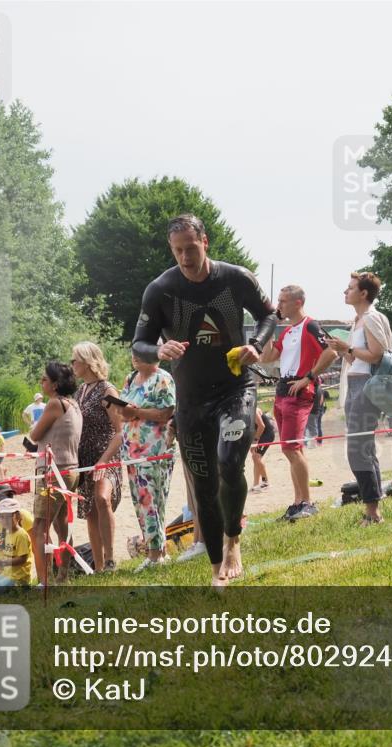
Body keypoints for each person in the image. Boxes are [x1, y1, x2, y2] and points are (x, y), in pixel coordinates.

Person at [132, 213, 277, 587]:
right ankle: (216, 567)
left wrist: (256, 345)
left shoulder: (235, 278)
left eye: (191, 249)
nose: (185, 257)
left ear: (205, 242)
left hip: (235, 388)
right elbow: (139, 342)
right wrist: (159, 348)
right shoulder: (160, 289)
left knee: (231, 462)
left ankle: (233, 542)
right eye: (177, 251)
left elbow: (268, 315)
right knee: (204, 484)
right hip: (191, 399)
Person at [259, 284, 337, 521]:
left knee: (290, 448)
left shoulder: (310, 325)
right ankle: (297, 502)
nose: (279, 305)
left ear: (297, 303)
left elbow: (331, 352)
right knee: (293, 449)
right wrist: (267, 332)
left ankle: (306, 502)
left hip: (298, 392)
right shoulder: (288, 331)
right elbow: (267, 358)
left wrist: (308, 378)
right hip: (283, 390)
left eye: (283, 301)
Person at [326, 271, 392, 526]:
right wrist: (342, 350)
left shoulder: (371, 318)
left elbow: (378, 355)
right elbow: (357, 359)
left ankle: (372, 510)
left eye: (350, 287)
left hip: (368, 387)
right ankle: (374, 503)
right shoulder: (357, 320)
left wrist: (349, 349)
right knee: (364, 447)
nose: (346, 291)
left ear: (363, 293)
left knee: (357, 449)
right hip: (357, 383)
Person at [115, 351, 176, 571]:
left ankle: (155, 554)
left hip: (154, 449)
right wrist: (127, 413)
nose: (135, 357)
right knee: (140, 502)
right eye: (133, 353)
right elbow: (123, 412)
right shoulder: (131, 378)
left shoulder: (163, 378)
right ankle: (156, 550)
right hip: (132, 450)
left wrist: (137, 412)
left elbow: (166, 412)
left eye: (140, 353)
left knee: (153, 500)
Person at [71, 341, 124, 573]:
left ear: (87, 361)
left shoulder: (108, 390)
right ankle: (99, 565)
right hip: (84, 459)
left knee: (102, 499)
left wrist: (103, 460)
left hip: (106, 455)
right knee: (90, 510)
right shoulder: (79, 391)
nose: (72, 364)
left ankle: (110, 560)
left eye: (75, 360)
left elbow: (122, 431)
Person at [27, 361, 82, 585]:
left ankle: (44, 580)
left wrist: (33, 429)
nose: (41, 382)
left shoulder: (55, 404)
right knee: (62, 524)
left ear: (56, 384)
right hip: (71, 469)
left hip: (53, 471)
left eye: (45, 379)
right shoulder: (74, 404)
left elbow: (34, 434)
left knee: (39, 527)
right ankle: (63, 576)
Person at [0, 499, 32, 595]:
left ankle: (22, 587)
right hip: (8, 572)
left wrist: (3, 562)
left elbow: (22, 559)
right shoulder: (7, 533)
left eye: (9, 516)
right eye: (2, 517)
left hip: (18, 576)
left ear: (18, 516)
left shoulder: (21, 535)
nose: (5, 520)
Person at [250, 408, 275, 494]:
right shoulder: (245, 410)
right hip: (259, 435)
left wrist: (255, 440)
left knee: (256, 457)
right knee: (255, 458)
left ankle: (265, 482)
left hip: (267, 434)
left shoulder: (254, 410)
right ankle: (256, 484)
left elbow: (262, 426)